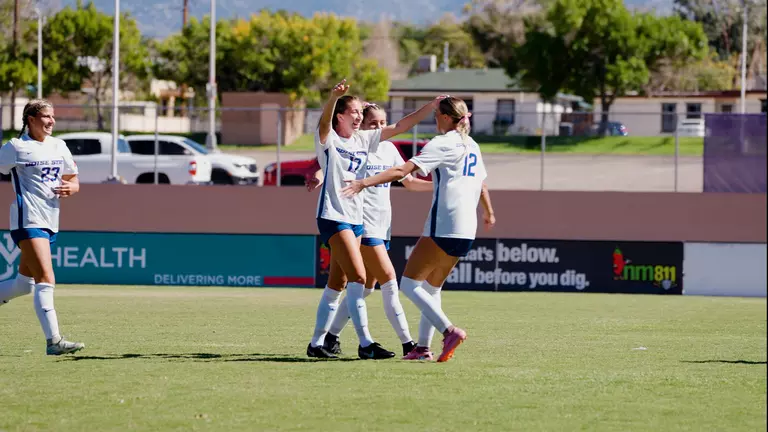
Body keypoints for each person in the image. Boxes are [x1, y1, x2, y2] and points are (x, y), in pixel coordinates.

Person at [342, 96, 496, 362]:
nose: (434, 119)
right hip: (467, 229)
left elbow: (403, 171)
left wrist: (364, 183)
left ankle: (449, 331)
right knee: (432, 289)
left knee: (409, 284)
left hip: (444, 224)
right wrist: (489, 212)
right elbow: (481, 185)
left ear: (447, 118)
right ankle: (422, 349)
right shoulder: (472, 144)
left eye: (437, 115)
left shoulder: (442, 142)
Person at [307, 78, 446, 359]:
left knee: (337, 285)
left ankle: (317, 343)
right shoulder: (329, 138)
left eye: (361, 112)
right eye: (354, 112)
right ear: (340, 116)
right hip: (334, 216)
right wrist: (333, 98)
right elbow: (324, 123)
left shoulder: (363, 139)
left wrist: (430, 106)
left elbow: (400, 126)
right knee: (360, 278)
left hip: (357, 218)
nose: (359, 116)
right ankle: (366, 343)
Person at [0, 99, 85, 356]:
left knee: (24, 284)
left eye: (53, 116)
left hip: (50, 220)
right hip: (27, 220)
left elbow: (73, 179)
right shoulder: (15, 147)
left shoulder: (59, 145)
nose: (52, 121)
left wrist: (73, 187)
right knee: (45, 278)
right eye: (46, 116)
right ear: (31, 119)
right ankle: (54, 341)